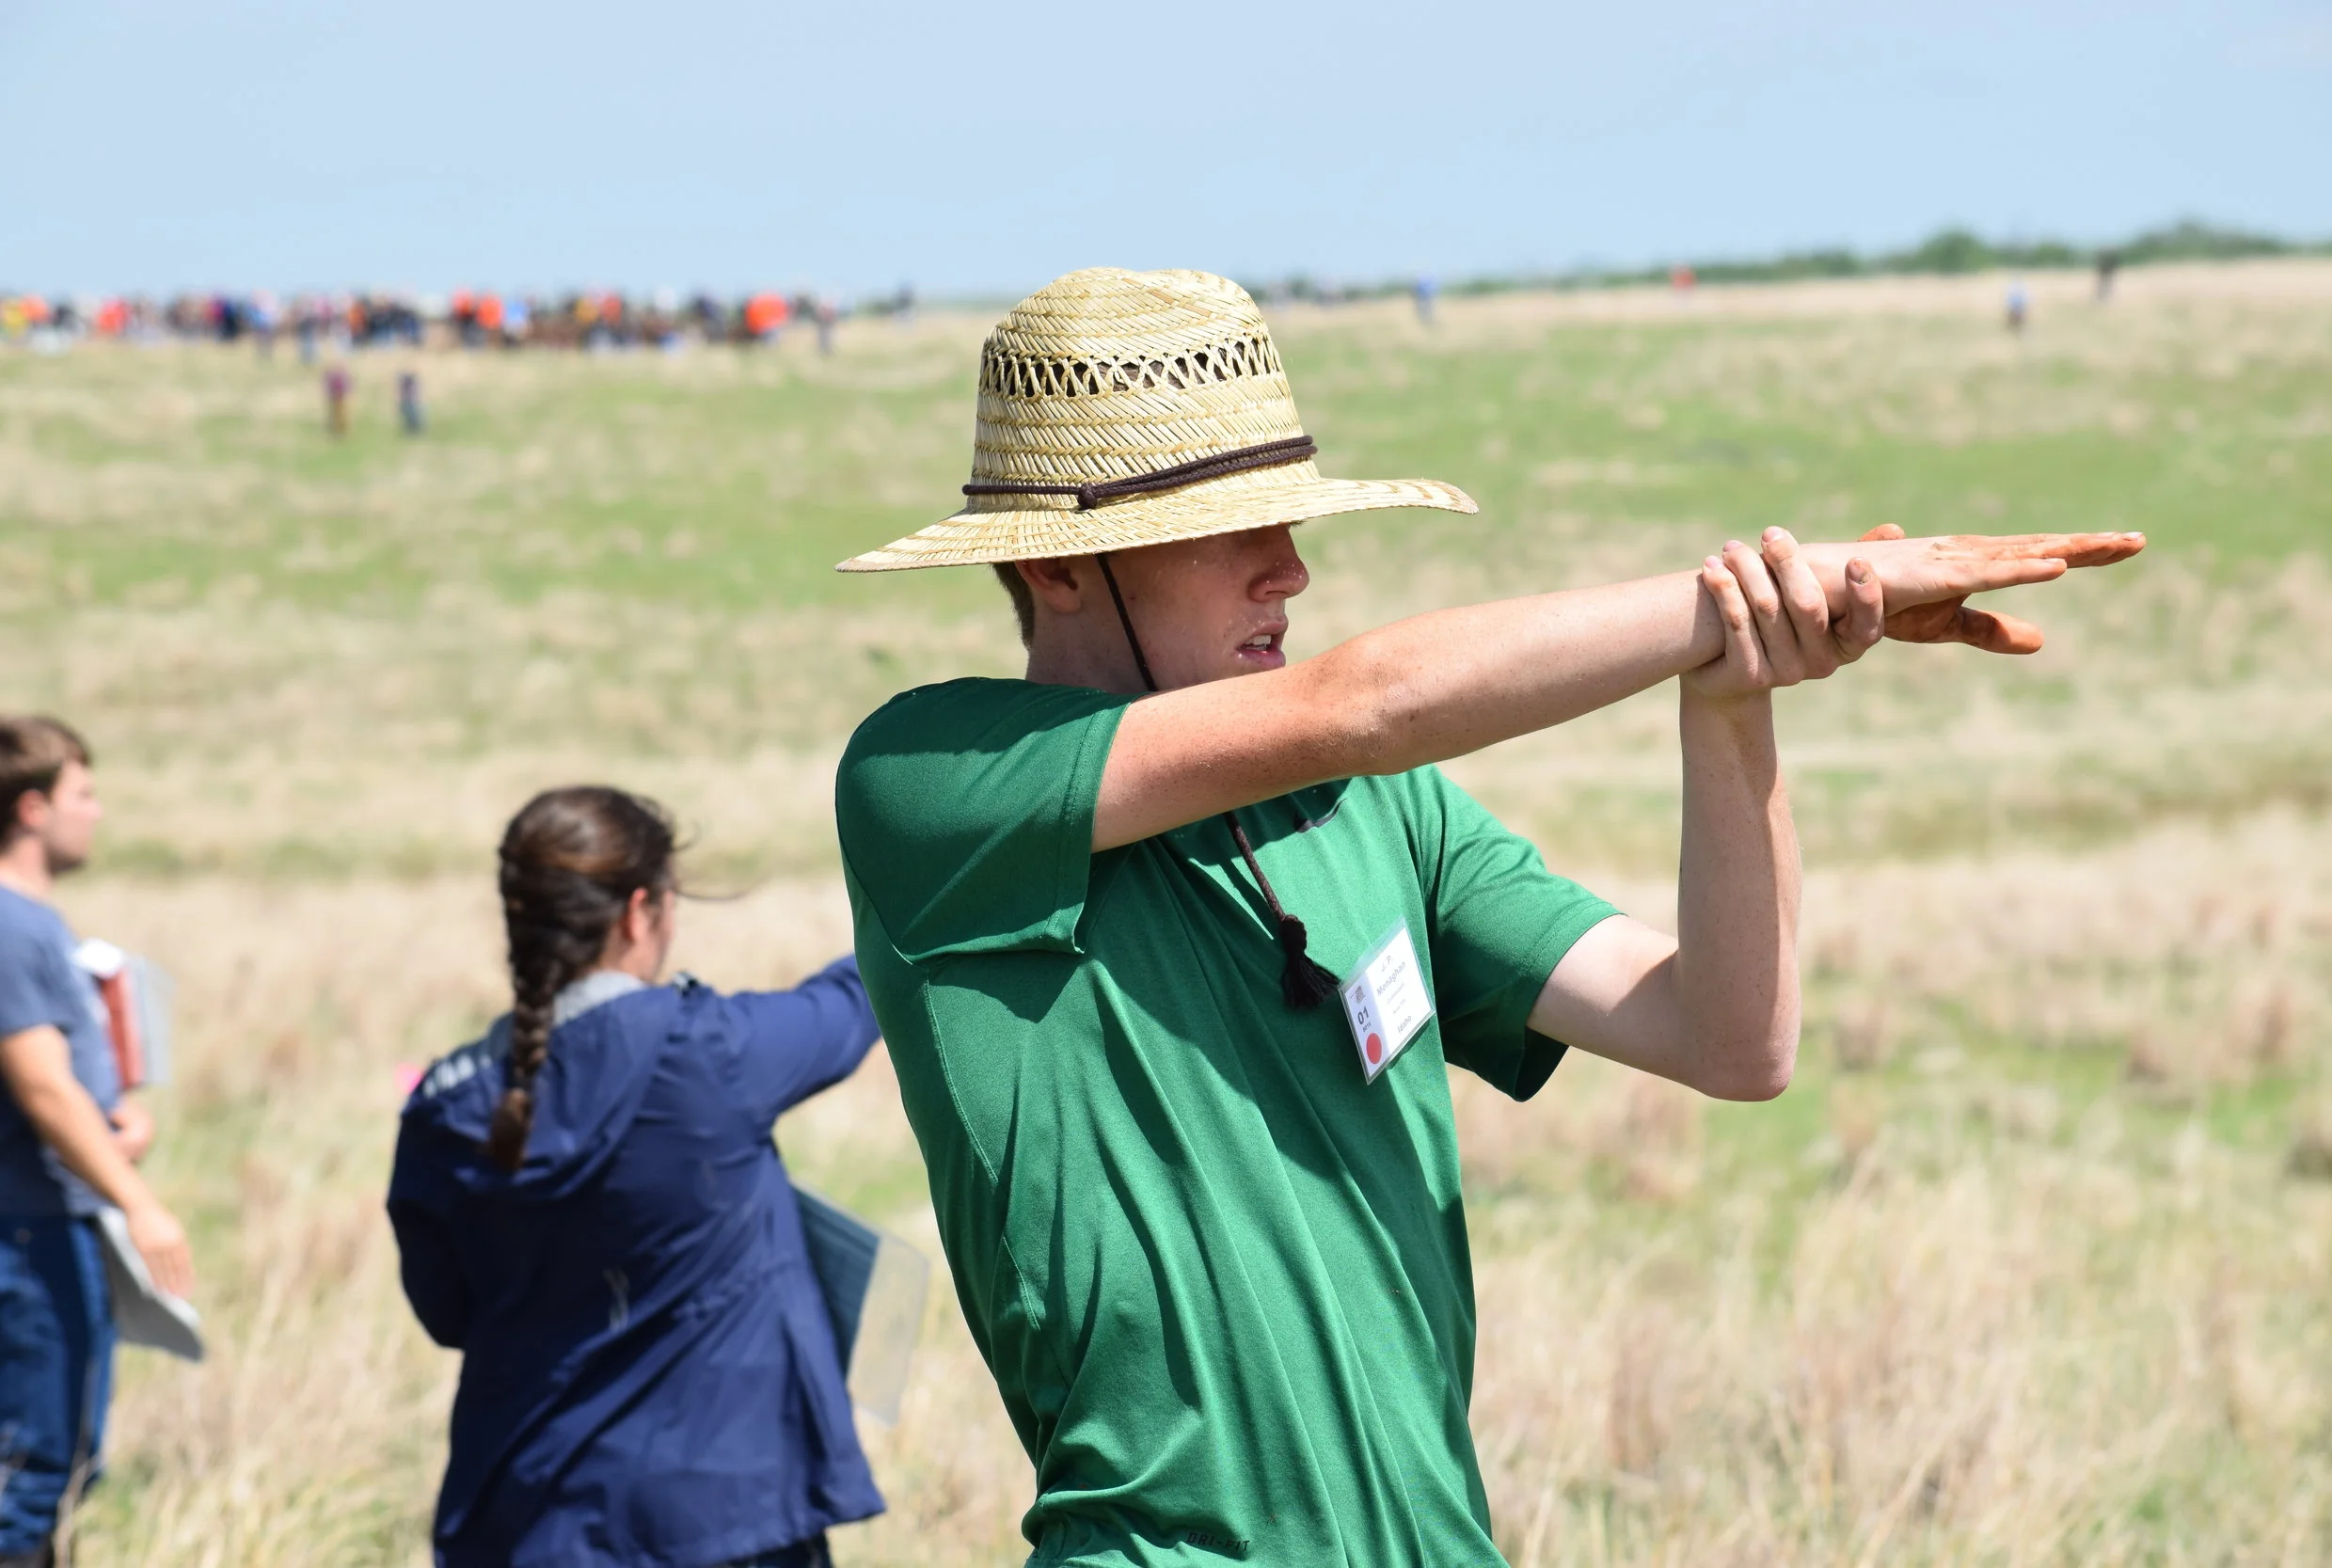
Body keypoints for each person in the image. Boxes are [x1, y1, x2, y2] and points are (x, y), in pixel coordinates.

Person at [830, 268, 2145, 1565]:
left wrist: (1732, 691)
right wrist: (1729, 597)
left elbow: (1734, 1041)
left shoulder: (1380, 807)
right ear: (1059, 563)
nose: (1290, 569)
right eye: (1229, 532)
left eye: (1287, 521)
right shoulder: (930, 780)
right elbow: (1366, 701)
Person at [387, 787, 885, 1568]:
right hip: (725, 1519)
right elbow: (852, 1004)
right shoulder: (709, 1052)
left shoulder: (442, 1111)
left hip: (527, 1524)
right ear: (638, 912)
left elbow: (449, 1313)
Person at [0, 718, 191, 1568]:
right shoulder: (11, 927)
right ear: (32, 807)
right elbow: (42, 1084)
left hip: (44, 1218)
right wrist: (140, 1203)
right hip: (27, 1231)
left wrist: (115, 1121)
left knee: (57, 1463)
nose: (97, 811)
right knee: (33, 1470)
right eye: (84, 793)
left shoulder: (33, 923)